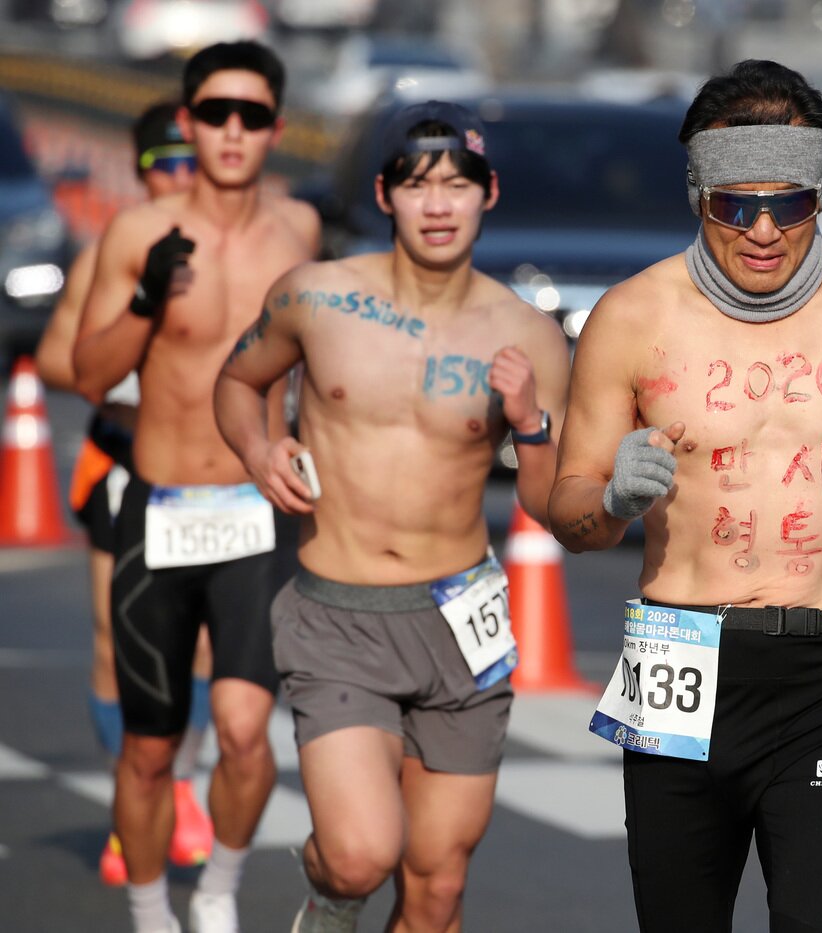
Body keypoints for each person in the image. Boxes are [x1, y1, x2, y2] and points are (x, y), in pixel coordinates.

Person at [548, 60, 822, 933]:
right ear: (698, 197)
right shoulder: (631, 317)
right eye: (733, 205)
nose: (762, 229)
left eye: (787, 204)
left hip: (820, 669)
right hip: (680, 663)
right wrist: (613, 493)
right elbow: (571, 518)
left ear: (817, 199)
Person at [214, 100, 569, 933]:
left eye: (457, 185)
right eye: (417, 186)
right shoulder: (316, 296)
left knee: (437, 888)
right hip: (340, 616)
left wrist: (532, 424)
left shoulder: (528, 336)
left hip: (462, 624)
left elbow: (547, 502)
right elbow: (237, 382)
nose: (438, 204)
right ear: (384, 195)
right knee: (360, 853)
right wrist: (261, 452)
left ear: (488, 195)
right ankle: (325, 884)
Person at [71, 41, 320, 933]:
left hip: (259, 516)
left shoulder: (299, 233)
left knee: (248, 732)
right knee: (148, 748)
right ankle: (148, 908)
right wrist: (144, 300)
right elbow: (90, 375)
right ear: (188, 121)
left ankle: (218, 885)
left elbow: (325, 367)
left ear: (275, 130)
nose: (232, 131)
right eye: (216, 113)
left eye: (251, 116)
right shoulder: (136, 233)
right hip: (161, 512)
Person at [36, 101, 217, 887]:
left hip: (209, 473)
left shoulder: (236, 247)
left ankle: (180, 785)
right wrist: (119, 384)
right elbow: (55, 361)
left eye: (192, 163)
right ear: (141, 172)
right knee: (120, 644)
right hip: (122, 464)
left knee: (204, 643)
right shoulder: (108, 253)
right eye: (165, 165)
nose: (180, 178)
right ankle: (133, 798)